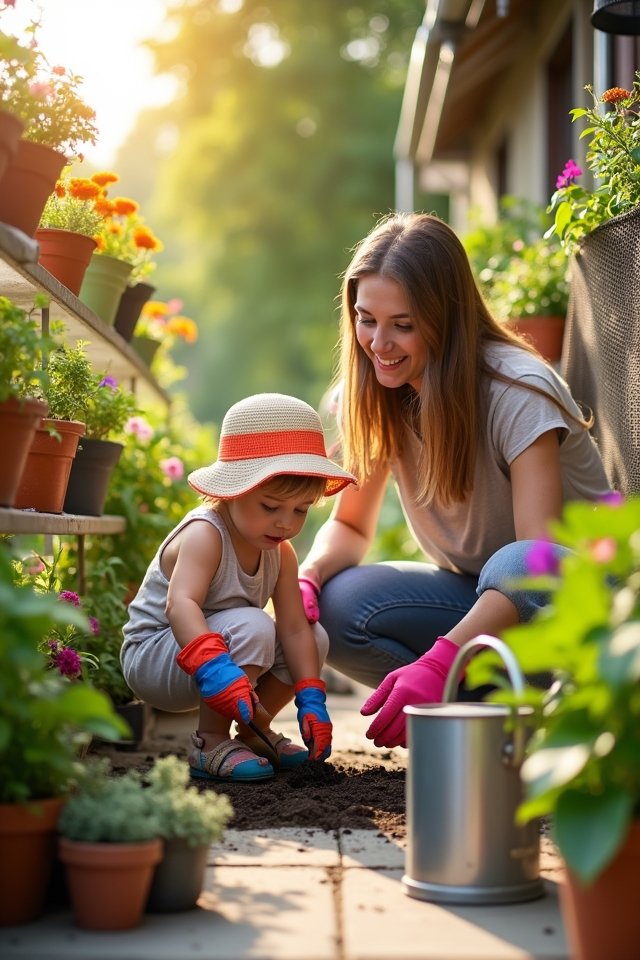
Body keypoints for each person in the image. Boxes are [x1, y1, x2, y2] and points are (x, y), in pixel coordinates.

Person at [298, 212, 612, 750]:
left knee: (514, 561)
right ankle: (484, 726)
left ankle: (523, 713)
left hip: (577, 612)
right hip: (482, 604)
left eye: (404, 324)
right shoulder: (376, 392)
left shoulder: (519, 389)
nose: (379, 342)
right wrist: (308, 576)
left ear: (447, 317)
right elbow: (350, 527)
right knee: (340, 605)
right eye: (366, 318)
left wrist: (440, 661)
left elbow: (535, 565)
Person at [121, 393, 356, 782]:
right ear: (234, 489)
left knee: (313, 639)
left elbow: (295, 628)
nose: (286, 524)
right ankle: (209, 741)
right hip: (158, 656)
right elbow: (179, 605)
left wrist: (311, 696)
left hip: (221, 652)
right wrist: (214, 667)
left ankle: (252, 732)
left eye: (300, 510)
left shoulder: (281, 553)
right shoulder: (205, 535)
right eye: (270, 506)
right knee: (254, 624)